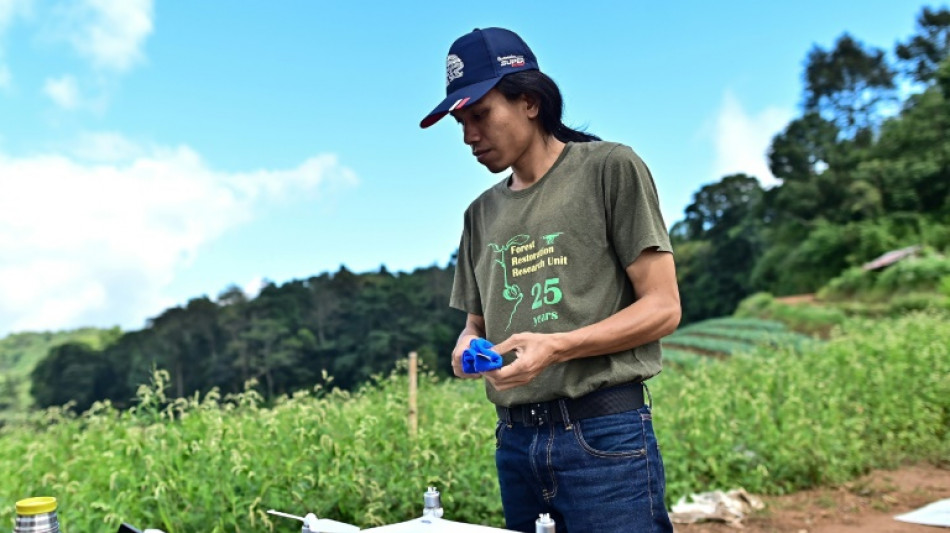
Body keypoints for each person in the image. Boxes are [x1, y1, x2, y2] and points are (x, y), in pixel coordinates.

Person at [420, 27, 681, 533]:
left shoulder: (609, 168)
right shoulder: (480, 214)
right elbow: (475, 324)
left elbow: (663, 308)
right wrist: (468, 347)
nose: (469, 136)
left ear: (531, 101)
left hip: (603, 437)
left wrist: (557, 347)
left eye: (480, 115)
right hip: (515, 444)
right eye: (460, 122)